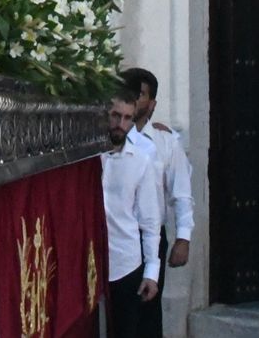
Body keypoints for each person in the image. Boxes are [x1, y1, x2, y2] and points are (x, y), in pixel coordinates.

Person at [118, 67, 194, 338]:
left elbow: (181, 192)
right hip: (116, 236)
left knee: (147, 310)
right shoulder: (108, 140)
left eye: (139, 94)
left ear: (152, 103)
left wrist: (183, 238)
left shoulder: (165, 141)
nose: (133, 99)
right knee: (119, 312)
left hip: (149, 235)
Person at [102, 88, 161, 338]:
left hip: (125, 262)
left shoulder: (140, 160)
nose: (121, 123)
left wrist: (151, 272)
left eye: (127, 118)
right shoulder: (86, 159)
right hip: (89, 260)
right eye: (116, 115)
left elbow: (149, 220)